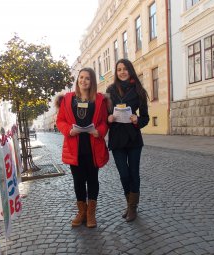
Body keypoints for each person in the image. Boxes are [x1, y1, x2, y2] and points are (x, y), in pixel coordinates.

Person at [55, 67, 110, 228]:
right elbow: (61, 120)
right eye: (81, 77)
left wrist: (98, 131)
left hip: (93, 146)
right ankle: (82, 212)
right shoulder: (68, 99)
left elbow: (104, 123)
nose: (83, 81)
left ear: (92, 81)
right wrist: (69, 131)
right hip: (75, 148)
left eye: (87, 78)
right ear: (77, 79)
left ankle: (91, 213)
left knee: (93, 180)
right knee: (78, 181)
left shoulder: (99, 100)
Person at [106, 59, 149, 222]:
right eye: (119, 69)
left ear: (130, 70)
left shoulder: (139, 90)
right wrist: (108, 118)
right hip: (117, 138)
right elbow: (104, 116)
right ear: (116, 72)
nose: (122, 72)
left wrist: (137, 119)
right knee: (124, 174)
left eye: (124, 69)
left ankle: (132, 208)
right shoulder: (110, 91)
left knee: (133, 173)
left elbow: (145, 118)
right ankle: (129, 203)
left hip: (133, 138)